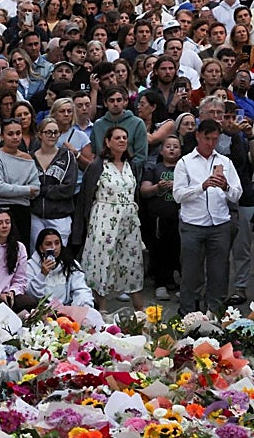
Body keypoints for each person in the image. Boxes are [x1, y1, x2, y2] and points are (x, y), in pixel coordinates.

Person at [174, 118, 243, 317]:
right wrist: (201, 186)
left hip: (220, 223)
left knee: (219, 272)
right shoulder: (184, 162)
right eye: (207, 138)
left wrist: (225, 187)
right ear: (198, 136)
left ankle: (215, 314)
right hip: (192, 224)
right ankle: (187, 314)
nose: (211, 143)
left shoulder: (225, 161)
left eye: (215, 139)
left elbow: (237, 194)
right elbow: (178, 195)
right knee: (190, 273)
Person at [74, 125, 145, 309]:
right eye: (117, 138)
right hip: (104, 218)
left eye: (124, 137)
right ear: (107, 141)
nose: (122, 140)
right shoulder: (98, 166)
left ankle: (139, 307)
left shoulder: (132, 166)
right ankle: (102, 307)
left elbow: (135, 193)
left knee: (132, 260)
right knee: (102, 260)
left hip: (129, 220)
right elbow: (86, 196)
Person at [140, 134, 182, 300]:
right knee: (159, 251)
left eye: (176, 146)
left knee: (179, 252)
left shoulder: (184, 168)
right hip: (159, 218)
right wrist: (158, 187)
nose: (172, 149)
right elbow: (144, 190)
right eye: (168, 146)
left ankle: (180, 282)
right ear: (162, 150)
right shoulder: (154, 169)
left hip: (180, 217)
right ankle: (160, 284)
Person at [0, 118, 38, 244]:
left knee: (20, 251)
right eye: (10, 134)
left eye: (18, 133)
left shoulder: (28, 158)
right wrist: (26, 190)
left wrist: (7, 191)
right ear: (2, 136)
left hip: (22, 212)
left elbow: (36, 189)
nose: (15, 137)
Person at [29, 119, 77, 247]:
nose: (52, 136)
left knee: (58, 255)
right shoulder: (30, 158)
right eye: (48, 132)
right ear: (40, 134)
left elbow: (68, 188)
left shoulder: (67, 157)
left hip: (60, 217)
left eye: (56, 132)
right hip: (36, 216)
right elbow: (27, 187)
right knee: (36, 255)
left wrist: (42, 190)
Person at [26, 228, 94, 308]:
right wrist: (42, 274)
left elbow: (81, 289)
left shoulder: (70, 263)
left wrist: (82, 307)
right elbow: (32, 295)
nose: (54, 247)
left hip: (68, 308)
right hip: (42, 311)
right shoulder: (30, 266)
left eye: (57, 243)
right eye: (48, 244)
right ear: (41, 248)